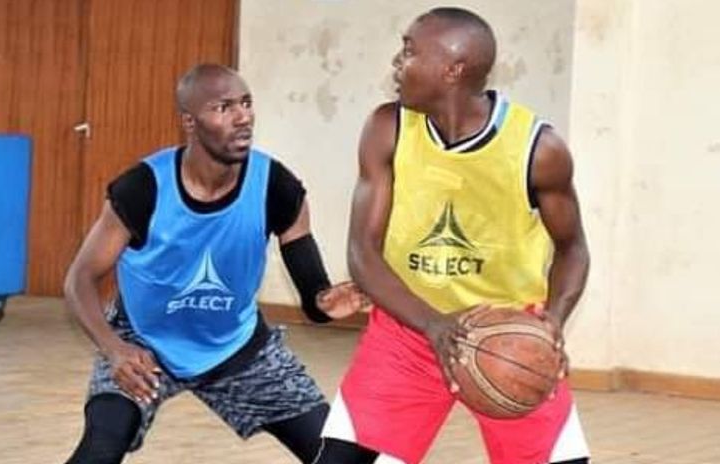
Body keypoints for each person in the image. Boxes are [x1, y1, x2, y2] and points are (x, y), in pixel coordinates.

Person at [316, 7, 591, 464]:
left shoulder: (537, 149)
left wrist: (553, 323)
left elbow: (573, 248)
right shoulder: (388, 129)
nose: (396, 63)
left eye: (408, 51)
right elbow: (362, 251)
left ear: (453, 68)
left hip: (507, 335)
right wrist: (431, 324)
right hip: (410, 328)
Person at [63, 63, 368, 464]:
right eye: (223, 107)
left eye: (246, 103)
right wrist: (114, 349)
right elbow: (80, 279)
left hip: (237, 346)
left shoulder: (276, 186)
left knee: (342, 458)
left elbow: (314, 296)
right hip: (142, 343)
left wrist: (325, 301)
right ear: (189, 122)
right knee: (100, 449)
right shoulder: (143, 187)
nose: (243, 117)